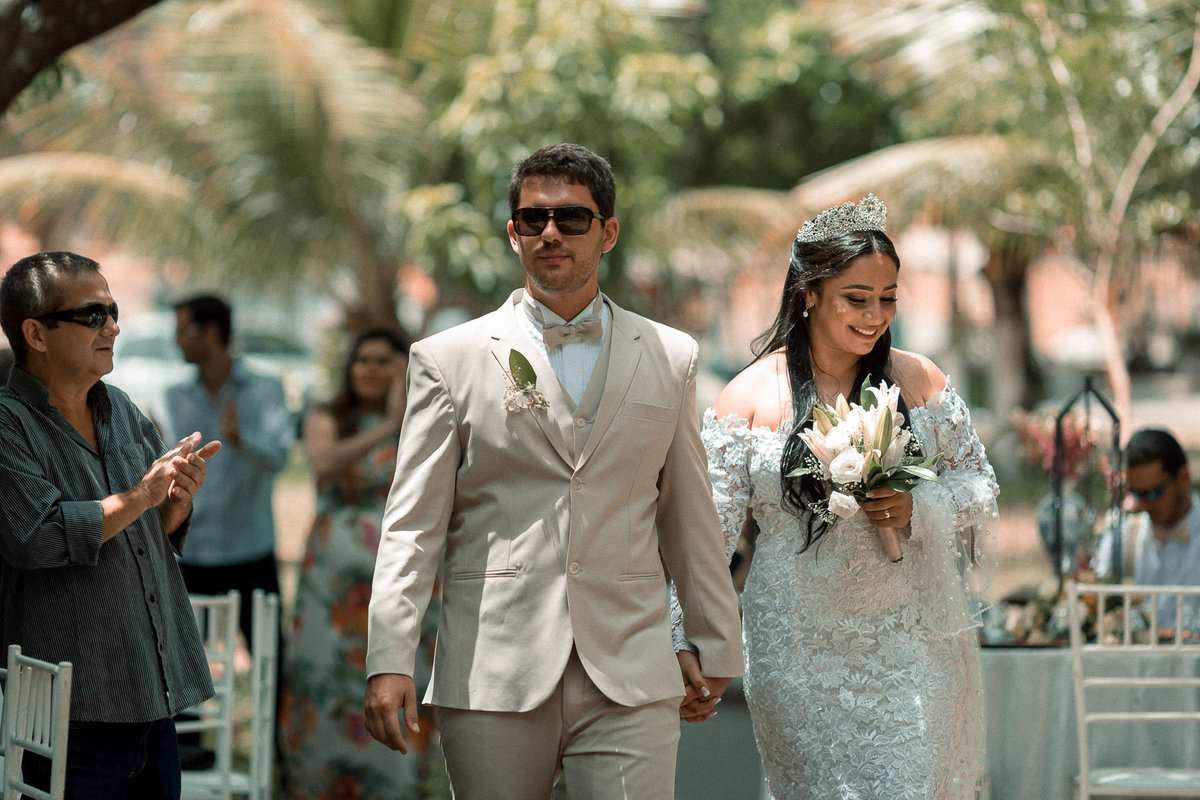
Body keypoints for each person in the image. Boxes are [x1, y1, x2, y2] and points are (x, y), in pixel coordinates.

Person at [363, 142, 743, 800]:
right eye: (532, 219)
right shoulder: (446, 359)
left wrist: (715, 642)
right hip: (493, 671)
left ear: (608, 233)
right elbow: (412, 525)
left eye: (571, 218)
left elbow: (689, 515)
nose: (550, 233)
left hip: (631, 670)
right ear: (513, 234)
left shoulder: (671, 355)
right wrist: (389, 656)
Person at [686, 195, 998, 799]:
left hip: (910, 647)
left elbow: (979, 488)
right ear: (809, 293)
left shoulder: (921, 382)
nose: (874, 315)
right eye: (856, 298)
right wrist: (685, 639)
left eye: (888, 299)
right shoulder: (746, 398)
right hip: (796, 653)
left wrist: (919, 506)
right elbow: (705, 541)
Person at [0, 251, 222, 799]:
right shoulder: (9, 422)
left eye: (114, 310)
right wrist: (141, 495)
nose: (114, 327)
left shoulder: (120, 408)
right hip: (68, 717)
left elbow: (154, 532)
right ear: (37, 332)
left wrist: (174, 501)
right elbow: (38, 537)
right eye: (93, 315)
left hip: (153, 701)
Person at [280, 328, 447, 798]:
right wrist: (386, 426)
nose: (370, 370)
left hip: (408, 581)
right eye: (362, 360)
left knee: (402, 675)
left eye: (384, 361)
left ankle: (396, 787)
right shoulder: (328, 417)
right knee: (325, 677)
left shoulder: (428, 420)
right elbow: (323, 463)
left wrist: (406, 418)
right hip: (331, 586)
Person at [157, 294, 293, 640]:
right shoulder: (172, 397)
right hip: (191, 552)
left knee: (269, 663)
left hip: (250, 549)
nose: (176, 341)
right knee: (180, 669)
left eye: (183, 330)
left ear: (211, 331)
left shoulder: (266, 388)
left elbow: (280, 458)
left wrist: (241, 437)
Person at [1094, 427, 1200, 630]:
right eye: (1136, 494)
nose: (1143, 505)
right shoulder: (1124, 537)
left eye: (1154, 493)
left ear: (1184, 478)